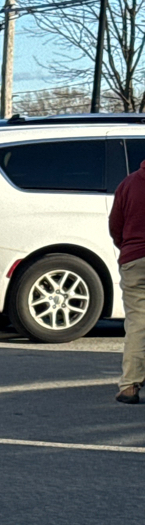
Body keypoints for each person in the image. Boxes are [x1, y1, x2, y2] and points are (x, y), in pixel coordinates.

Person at [109, 154, 145, 403]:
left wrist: (127, 248)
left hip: (135, 259)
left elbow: (115, 225)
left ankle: (130, 386)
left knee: (138, 322)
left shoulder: (129, 183)